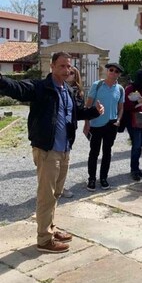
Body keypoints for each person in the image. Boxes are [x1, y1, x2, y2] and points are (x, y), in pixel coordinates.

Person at [0, 52, 103, 253]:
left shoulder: (68, 91)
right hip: (47, 150)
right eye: (62, 66)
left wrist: (93, 112)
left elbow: (75, 113)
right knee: (46, 196)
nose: (67, 70)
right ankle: (44, 240)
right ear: (52, 67)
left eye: (69, 67)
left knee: (55, 194)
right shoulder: (41, 88)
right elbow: (17, 88)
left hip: (64, 150)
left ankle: (50, 228)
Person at [85, 62, 125, 191]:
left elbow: (121, 107)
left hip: (111, 124)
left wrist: (118, 119)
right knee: (94, 152)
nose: (113, 73)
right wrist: (86, 123)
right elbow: (88, 105)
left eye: (116, 71)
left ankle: (103, 178)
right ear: (107, 71)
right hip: (96, 124)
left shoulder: (120, 89)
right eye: (111, 70)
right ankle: (91, 179)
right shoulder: (97, 85)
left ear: (119, 74)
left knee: (107, 153)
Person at [61, 66, 85, 198]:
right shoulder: (58, 87)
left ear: (75, 76)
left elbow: (79, 111)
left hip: (69, 129)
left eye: (71, 73)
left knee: (65, 158)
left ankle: (61, 187)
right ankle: (56, 187)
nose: (68, 74)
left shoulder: (77, 92)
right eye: (67, 72)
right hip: (58, 128)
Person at [124, 69, 142, 181]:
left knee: (139, 146)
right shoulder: (130, 89)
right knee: (136, 145)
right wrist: (137, 103)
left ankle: (137, 168)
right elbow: (126, 105)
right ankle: (133, 170)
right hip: (132, 120)